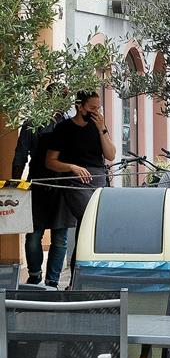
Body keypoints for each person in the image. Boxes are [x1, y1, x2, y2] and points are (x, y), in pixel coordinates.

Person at [44, 92, 116, 271]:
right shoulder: (64, 128)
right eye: (92, 108)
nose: (96, 112)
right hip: (75, 181)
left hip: (98, 179)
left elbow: (111, 155)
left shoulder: (98, 126)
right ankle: (78, 272)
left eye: (98, 108)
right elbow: (50, 161)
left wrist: (102, 129)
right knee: (87, 220)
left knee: (96, 224)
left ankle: (89, 271)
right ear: (80, 106)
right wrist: (72, 167)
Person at [13, 106, 68, 288]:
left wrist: (16, 182)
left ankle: (45, 279)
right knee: (40, 235)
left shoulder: (67, 124)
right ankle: (42, 278)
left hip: (57, 183)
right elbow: (20, 156)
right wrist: (15, 184)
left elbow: (20, 157)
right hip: (47, 184)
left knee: (48, 236)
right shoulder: (34, 124)